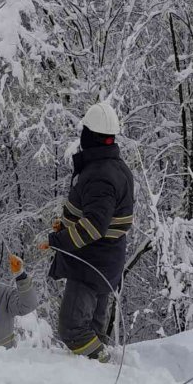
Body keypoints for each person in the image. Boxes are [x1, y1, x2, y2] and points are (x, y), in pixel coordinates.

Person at [43, 102, 134, 361]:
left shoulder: (101, 174)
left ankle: (101, 363)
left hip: (89, 264)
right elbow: (101, 217)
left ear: (90, 136)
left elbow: (94, 226)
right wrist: (69, 223)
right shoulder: (115, 167)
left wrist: (58, 240)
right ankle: (96, 379)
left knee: (73, 329)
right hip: (106, 262)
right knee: (93, 329)